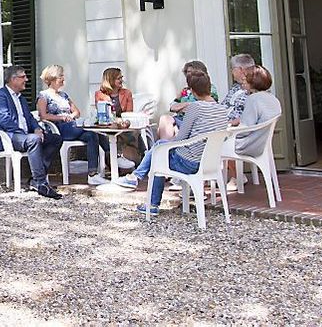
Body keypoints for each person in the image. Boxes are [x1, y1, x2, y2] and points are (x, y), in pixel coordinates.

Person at [114, 70, 232, 216]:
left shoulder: (195, 108)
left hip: (189, 162)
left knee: (159, 154)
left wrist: (167, 143)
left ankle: (147, 197)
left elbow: (181, 138)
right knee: (160, 147)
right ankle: (136, 178)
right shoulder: (222, 109)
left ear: (193, 91)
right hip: (210, 162)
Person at [0, 65, 64, 199]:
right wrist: (27, 134)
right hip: (7, 136)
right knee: (33, 140)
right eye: (23, 77)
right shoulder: (0, 95)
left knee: (56, 139)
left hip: (24, 136)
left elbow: (29, 117)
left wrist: (37, 129)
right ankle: (41, 183)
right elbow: (4, 120)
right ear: (13, 79)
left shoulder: (21, 98)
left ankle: (35, 180)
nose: (26, 80)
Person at [37, 64, 110, 186]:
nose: (63, 78)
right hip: (58, 129)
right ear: (53, 78)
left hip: (72, 126)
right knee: (90, 128)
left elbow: (77, 111)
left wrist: (70, 116)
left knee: (92, 134)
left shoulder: (64, 95)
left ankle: (93, 175)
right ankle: (113, 156)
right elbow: (43, 116)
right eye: (61, 76)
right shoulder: (43, 96)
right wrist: (61, 117)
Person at [233, 65, 282, 156]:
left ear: (253, 81)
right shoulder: (274, 99)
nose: (243, 80)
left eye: (246, 78)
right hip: (263, 144)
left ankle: (228, 171)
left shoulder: (253, 99)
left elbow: (244, 130)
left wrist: (229, 131)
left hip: (248, 145)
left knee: (219, 144)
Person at [93, 67, 137, 169]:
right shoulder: (100, 94)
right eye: (118, 78)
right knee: (105, 135)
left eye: (121, 77)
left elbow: (129, 113)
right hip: (108, 125)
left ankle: (126, 160)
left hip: (124, 124)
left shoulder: (127, 93)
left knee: (130, 133)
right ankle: (115, 162)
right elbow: (102, 113)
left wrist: (120, 121)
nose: (121, 80)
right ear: (110, 80)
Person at [221, 54, 255, 120]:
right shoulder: (235, 87)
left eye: (233, 69)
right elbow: (223, 106)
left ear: (240, 69)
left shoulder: (253, 90)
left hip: (237, 128)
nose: (231, 72)